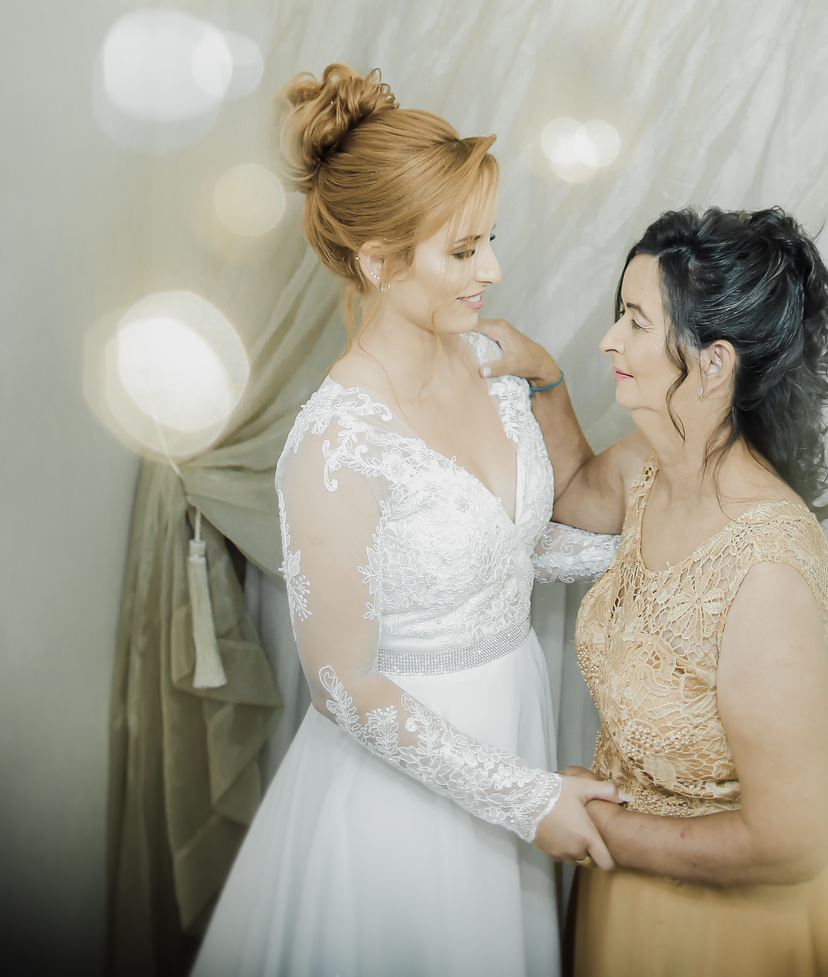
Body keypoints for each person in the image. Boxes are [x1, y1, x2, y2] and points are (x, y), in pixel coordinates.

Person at [193, 64, 620, 977]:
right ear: (378, 262)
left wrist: (645, 551)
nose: (492, 270)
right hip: (404, 786)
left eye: (490, 240)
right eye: (462, 251)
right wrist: (524, 799)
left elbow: (503, 548)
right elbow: (343, 685)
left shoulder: (489, 364)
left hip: (513, 716)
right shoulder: (336, 441)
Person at [482, 206, 828, 977]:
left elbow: (792, 842)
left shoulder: (768, 573)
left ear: (714, 361)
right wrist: (544, 377)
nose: (610, 341)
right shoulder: (648, 465)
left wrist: (589, 825)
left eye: (635, 321)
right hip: (624, 892)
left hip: (728, 930)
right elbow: (572, 490)